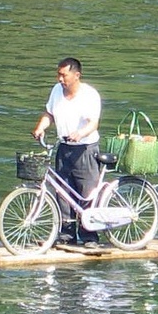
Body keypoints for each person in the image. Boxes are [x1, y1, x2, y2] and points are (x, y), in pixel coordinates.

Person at [32, 57, 102, 245]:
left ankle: (89, 236)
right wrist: (41, 128)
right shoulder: (56, 91)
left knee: (87, 193)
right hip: (64, 148)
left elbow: (93, 123)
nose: (60, 79)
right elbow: (50, 114)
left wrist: (80, 133)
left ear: (76, 75)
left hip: (85, 149)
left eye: (64, 75)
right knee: (62, 192)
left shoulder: (89, 95)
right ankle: (66, 235)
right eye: (58, 75)